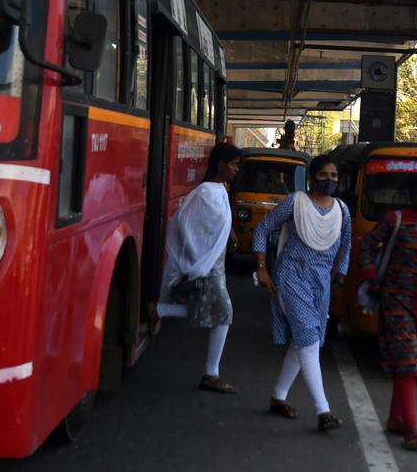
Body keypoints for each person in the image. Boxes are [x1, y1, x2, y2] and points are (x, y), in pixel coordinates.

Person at [252, 154, 352, 432]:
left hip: (320, 283)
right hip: (291, 275)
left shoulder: (342, 210)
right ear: (312, 177)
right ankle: (324, 411)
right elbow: (262, 228)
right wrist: (262, 269)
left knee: (304, 340)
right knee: (308, 338)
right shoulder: (295, 202)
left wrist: (341, 271)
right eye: (324, 175)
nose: (329, 181)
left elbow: (346, 242)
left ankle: (278, 397)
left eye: (334, 176)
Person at [357, 173, 417, 451]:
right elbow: (365, 246)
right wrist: (371, 277)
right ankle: (410, 427)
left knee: (415, 362)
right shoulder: (394, 220)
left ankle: (394, 418)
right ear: (411, 196)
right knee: (408, 360)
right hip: (395, 298)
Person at [151, 142, 242, 394]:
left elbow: (219, 224)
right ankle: (211, 374)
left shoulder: (219, 189)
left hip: (215, 262)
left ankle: (159, 310)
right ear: (221, 164)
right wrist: (195, 258)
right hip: (207, 263)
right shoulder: (205, 193)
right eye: (234, 164)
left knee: (212, 311)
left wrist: (229, 233)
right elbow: (185, 225)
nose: (236, 169)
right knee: (223, 312)